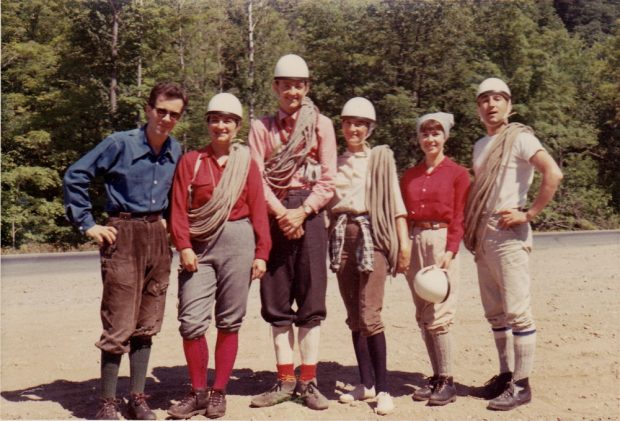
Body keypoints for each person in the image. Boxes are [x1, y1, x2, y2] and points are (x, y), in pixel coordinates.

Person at [63, 82, 187, 420]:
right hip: (124, 232)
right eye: (161, 110)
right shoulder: (120, 143)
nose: (166, 118)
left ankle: (137, 397)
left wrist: (168, 224)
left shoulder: (176, 151)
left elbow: (180, 195)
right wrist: (88, 224)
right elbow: (75, 175)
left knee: (148, 322)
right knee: (119, 321)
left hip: (157, 237)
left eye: (174, 114)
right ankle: (107, 403)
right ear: (148, 109)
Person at [166, 93, 271, 419]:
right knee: (192, 322)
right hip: (200, 244)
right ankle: (197, 391)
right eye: (215, 119)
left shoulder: (247, 163)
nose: (220, 125)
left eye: (227, 120)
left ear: (237, 125)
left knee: (230, 320)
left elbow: (258, 209)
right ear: (208, 123)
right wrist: (182, 245)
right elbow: (178, 209)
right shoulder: (192, 161)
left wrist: (261, 253)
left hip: (239, 240)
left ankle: (218, 392)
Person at [463, 78, 563, 410]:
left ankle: (522, 384)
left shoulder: (520, 138)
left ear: (509, 104)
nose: (490, 105)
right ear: (478, 108)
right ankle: (505, 376)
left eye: (497, 98)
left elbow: (553, 173)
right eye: (484, 100)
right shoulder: (480, 145)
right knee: (496, 313)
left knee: (518, 312)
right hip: (484, 232)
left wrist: (530, 212)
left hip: (508, 233)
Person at [248, 54, 337, 411]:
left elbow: (329, 179)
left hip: (310, 213)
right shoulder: (261, 128)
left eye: (299, 85)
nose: (293, 91)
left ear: (307, 87)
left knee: (312, 301)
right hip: (275, 212)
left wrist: (302, 211)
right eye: (286, 85)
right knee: (276, 302)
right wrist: (283, 213)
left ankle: (308, 381)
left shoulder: (322, 126)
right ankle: (285, 379)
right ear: (275, 87)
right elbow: (257, 177)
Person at [328, 98, 411, 415]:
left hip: (371, 234)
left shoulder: (379, 161)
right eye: (349, 122)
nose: (354, 128)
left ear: (370, 127)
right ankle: (366, 383)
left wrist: (403, 245)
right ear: (343, 125)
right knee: (353, 314)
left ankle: (385, 388)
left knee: (370, 314)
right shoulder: (334, 162)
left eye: (361, 123)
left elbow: (396, 205)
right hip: (340, 236)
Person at [400, 112, 470, 407]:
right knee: (423, 312)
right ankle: (436, 375)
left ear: (445, 137)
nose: (430, 139)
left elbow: (459, 216)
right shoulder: (409, 176)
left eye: (436, 133)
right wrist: (402, 248)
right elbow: (401, 214)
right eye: (425, 134)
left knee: (439, 312)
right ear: (419, 138)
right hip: (415, 240)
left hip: (441, 241)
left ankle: (447, 379)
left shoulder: (458, 173)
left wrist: (451, 249)